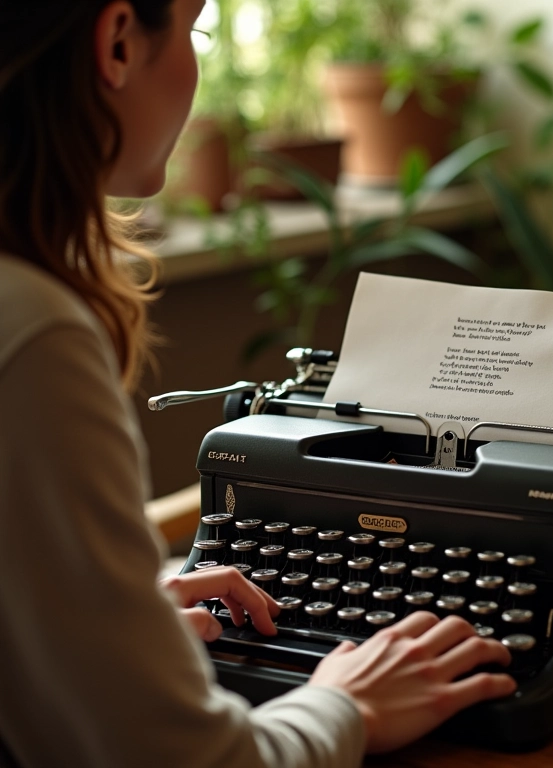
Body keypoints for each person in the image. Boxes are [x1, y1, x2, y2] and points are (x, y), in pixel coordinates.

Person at [0, 2, 516, 767]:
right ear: (117, 43)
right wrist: (346, 705)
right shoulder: (37, 336)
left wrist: (100, 625)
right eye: (194, 30)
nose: (196, 69)